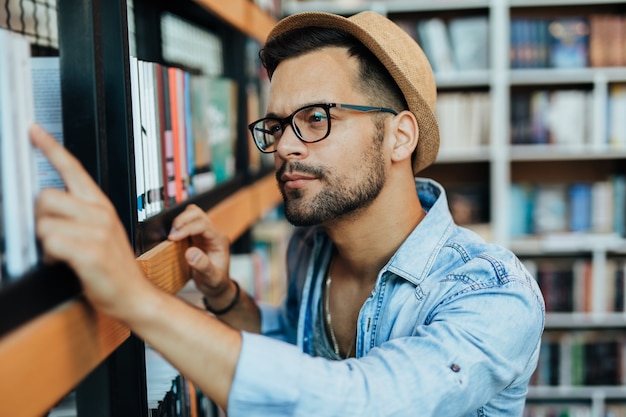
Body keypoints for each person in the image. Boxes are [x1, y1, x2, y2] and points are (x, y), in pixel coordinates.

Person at [33, 10, 545, 417]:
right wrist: (222, 293)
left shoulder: (491, 292)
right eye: (277, 126)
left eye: (316, 118)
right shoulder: (313, 244)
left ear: (399, 136)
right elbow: (292, 344)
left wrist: (133, 296)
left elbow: (359, 402)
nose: (285, 148)